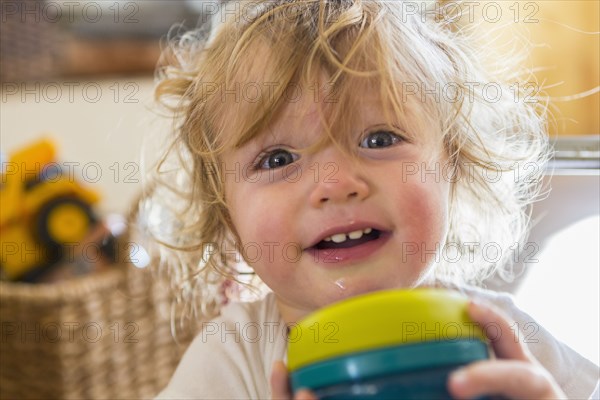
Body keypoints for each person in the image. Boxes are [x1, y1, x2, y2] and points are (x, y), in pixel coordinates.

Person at [140, 0, 599, 398]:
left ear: (451, 167)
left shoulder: (499, 333)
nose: (337, 183)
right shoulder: (233, 357)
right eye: (278, 159)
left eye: (380, 139)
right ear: (229, 221)